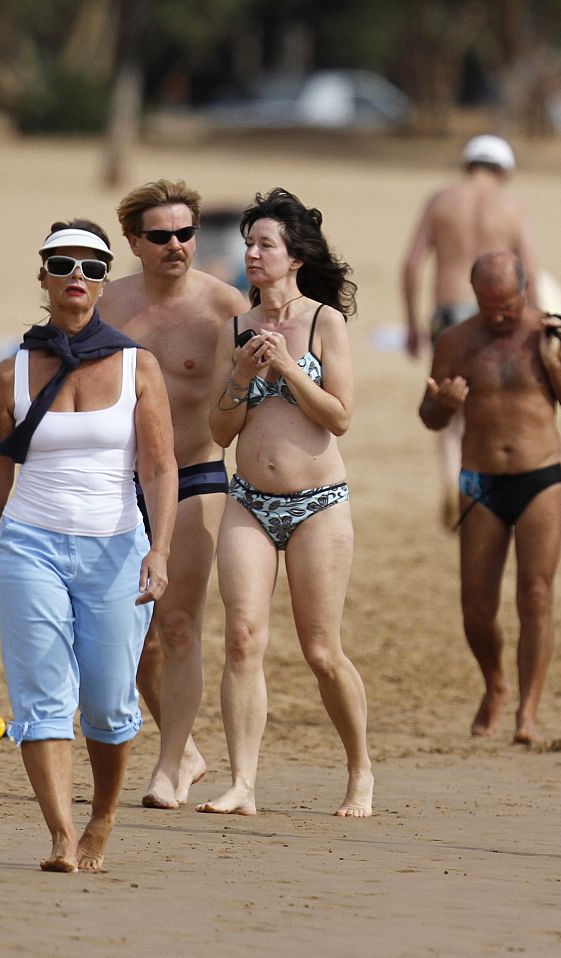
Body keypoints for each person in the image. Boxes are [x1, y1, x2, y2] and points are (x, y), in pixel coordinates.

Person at [0, 220, 177, 872]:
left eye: (92, 265)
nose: (77, 275)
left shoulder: (140, 365)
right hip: (31, 548)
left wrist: (159, 549)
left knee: (110, 703)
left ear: (105, 279)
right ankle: (60, 836)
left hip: (115, 549)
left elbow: (160, 469)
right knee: (42, 701)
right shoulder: (10, 373)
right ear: (44, 276)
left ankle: (101, 818)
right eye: (63, 263)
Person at [201, 188, 373, 817]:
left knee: (320, 650)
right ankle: (243, 784)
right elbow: (220, 433)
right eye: (248, 244)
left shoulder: (326, 321)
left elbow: (340, 417)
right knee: (243, 638)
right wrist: (243, 375)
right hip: (247, 500)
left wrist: (290, 370)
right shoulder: (236, 329)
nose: (251, 254)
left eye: (264, 244)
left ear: (294, 256)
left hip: (318, 503)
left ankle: (359, 771)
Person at [99, 179, 251, 809]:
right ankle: (184, 749)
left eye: (185, 233)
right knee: (123, 634)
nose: (175, 246)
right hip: (116, 482)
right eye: (159, 236)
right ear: (134, 241)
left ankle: (167, 769)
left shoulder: (225, 307)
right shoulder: (105, 306)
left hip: (195, 476)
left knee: (179, 624)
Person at [418, 251, 561, 744]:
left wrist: (556, 363)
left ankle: (528, 714)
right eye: (489, 306)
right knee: (475, 607)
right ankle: (496, 684)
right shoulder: (456, 340)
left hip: (540, 476)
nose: (500, 316)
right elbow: (430, 414)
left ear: (525, 290)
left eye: (509, 306)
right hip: (480, 480)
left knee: (535, 595)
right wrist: (442, 405)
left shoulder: (550, 331)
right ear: (474, 297)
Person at [402, 135, 541, 525]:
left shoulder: (440, 200)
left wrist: (412, 324)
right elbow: (529, 271)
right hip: (494, 314)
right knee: (494, 403)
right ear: (504, 170)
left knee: (448, 403)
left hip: (446, 313)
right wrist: (538, 323)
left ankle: (451, 480)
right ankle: (484, 490)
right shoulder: (513, 206)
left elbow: (412, 264)